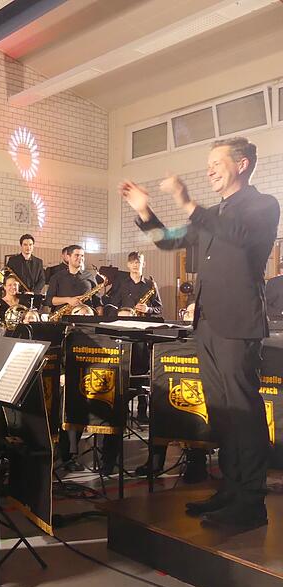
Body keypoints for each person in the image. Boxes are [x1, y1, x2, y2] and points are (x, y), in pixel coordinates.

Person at [121, 136, 279, 531]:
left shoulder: (262, 205)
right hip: (207, 324)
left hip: (238, 324)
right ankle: (231, 488)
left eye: (216, 162)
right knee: (222, 412)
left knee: (243, 413)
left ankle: (251, 502)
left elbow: (238, 236)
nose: (209, 169)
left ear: (241, 164)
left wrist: (189, 202)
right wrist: (145, 211)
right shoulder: (213, 215)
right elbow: (168, 240)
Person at [45, 245, 103, 317]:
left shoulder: (90, 276)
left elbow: (97, 301)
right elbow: (49, 300)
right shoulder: (57, 277)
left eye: (82, 256)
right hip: (62, 318)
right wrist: (68, 300)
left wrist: (100, 314)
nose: (80, 258)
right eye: (77, 255)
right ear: (68, 257)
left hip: (85, 318)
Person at [108, 252, 162, 316]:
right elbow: (112, 307)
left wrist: (148, 309)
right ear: (128, 264)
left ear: (143, 264)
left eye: (137, 262)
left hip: (143, 323)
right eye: (132, 262)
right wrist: (119, 313)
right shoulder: (121, 284)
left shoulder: (151, 285)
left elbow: (159, 308)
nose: (135, 265)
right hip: (125, 322)